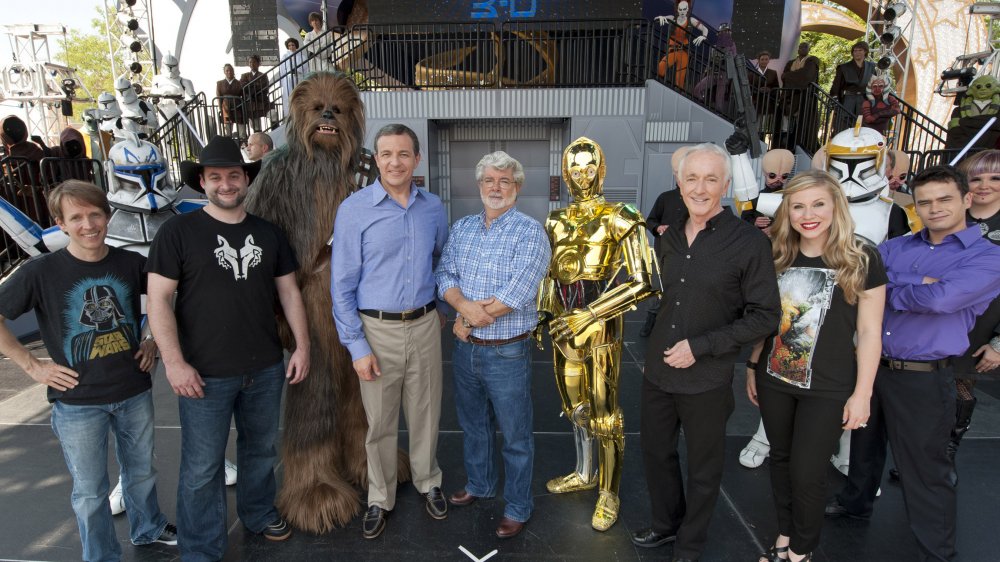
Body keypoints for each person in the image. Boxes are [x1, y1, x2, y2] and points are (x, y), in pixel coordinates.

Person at [146, 135, 310, 560]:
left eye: (233, 175)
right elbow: (159, 299)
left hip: (265, 367)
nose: (225, 184)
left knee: (260, 451)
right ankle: (201, 548)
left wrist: (302, 347)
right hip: (204, 373)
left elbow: (290, 292)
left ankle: (257, 513)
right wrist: (174, 363)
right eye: (215, 176)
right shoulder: (177, 233)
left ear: (245, 179)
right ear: (202, 182)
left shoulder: (268, 233)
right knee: (202, 468)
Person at [827, 166, 1000, 562]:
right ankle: (856, 503)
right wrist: (918, 285)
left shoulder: (989, 256)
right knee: (863, 446)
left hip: (924, 377)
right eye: (925, 201)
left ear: (966, 200)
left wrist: (889, 287)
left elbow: (942, 301)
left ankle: (936, 550)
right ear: (915, 205)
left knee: (926, 468)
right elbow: (856, 280)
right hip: (873, 366)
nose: (934, 208)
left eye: (944, 199)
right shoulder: (896, 246)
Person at [0, 180, 177, 561]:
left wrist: (151, 341)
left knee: (142, 470)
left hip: (132, 389)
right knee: (90, 490)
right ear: (60, 224)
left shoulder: (132, 264)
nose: (88, 224)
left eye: (95, 214)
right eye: (76, 217)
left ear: (108, 216)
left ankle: (148, 528)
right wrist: (32, 366)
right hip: (77, 401)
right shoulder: (40, 272)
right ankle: (100, 555)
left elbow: (161, 304)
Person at [632, 143, 780, 561]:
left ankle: (690, 543)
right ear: (679, 184)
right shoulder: (670, 237)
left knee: (703, 468)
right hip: (658, 373)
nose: (700, 187)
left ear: (725, 185)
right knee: (657, 455)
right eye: (692, 178)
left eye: (711, 178)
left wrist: (702, 347)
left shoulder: (749, 243)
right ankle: (666, 525)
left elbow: (765, 315)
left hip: (707, 377)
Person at [747, 171, 886, 562]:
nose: (809, 214)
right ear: (787, 211)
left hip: (828, 386)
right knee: (781, 460)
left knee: (808, 472)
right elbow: (764, 318)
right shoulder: (775, 253)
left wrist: (863, 395)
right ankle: (785, 534)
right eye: (798, 206)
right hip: (774, 379)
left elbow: (870, 332)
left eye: (818, 204)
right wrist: (751, 365)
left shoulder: (861, 256)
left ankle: (801, 551)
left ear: (835, 206)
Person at [331, 124, 450, 540]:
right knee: (379, 422)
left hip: (423, 326)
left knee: (426, 412)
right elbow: (341, 285)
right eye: (386, 154)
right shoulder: (355, 210)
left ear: (417, 159)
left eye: (403, 154)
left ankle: (427, 480)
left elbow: (440, 262)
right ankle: (379, 498)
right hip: (375, 330)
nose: (395, 162)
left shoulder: (433, 208)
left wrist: (436, 307)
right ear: (375, 159)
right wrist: (356, 346)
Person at [537, 137, 659, 533]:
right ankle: (585, 471)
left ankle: (609, 491)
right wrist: (543, 315)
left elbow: (644, 279)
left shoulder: (621, 215)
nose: (582, 176)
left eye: (590, 167)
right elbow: (549, 274)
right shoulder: (555, 220)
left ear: (601, 169)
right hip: (562, 327)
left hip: (601, 327)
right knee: (575, 408)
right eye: (575, 169)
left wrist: (589, 314)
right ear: (565, 174)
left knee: (606, 416)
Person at [435, 151, 550, 539]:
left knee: (515, 436)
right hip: (466, 351)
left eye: (504, 181)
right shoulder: (463, 228)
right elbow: (444, 274)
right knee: (473, 426)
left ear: (517, 187)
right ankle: (480, 485)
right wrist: (463, 308)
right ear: (479, 185)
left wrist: (466, 318)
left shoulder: (530, 231)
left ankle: (518, 506)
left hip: (507, 351)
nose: (496, 187)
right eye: (489, 180)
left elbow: (518, 290)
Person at [640, 146, 690, 338]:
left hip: (689, 253)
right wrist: (658, 228)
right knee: (659, 289)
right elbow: (650, 220)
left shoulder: (698, 199)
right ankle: (650, 323)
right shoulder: (665, 198)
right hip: (665, 253)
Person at [655, 1, 708, 90]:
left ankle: (677, 94)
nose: (682, 11)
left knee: (680, 80)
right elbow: (659, 18)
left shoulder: (691, 20)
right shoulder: (673, 18)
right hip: (672, 50)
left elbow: (704, 28)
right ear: (677, 10)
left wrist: (703, 36)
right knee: (660, 68)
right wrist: (660, 17)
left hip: (683, 52)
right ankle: (659, 88)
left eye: (684, 9)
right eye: (680, 9)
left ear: (687, 9)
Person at [781, 43, 821, 152]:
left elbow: (807, 77)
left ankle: (801, 146)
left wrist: (791, 76)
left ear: (809, 49)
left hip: (805, 97)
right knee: (787, 122)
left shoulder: (812, 61)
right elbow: (784, 76)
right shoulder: (791, 63)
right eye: (800, 47)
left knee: (804, 122)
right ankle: (786, 146)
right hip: (791, 96)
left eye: (805, 47)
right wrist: (795, 76)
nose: (802, 49)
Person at [830, 42, 875, 122]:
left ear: (865, 51)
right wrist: (834, 99)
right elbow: (836, 85)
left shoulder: (871, 66)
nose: (857, 53)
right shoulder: (843, 67)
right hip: (848, 101)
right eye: (855, 51)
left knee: (862, 126)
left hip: (864, 100)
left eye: (860, 50)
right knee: (845, 125)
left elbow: (874, 84)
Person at [240, 54, 271, 134]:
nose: (252, 64)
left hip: (261, 101)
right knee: (256, 126)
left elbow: (264, 88)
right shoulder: (244, 75)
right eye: (250, 62)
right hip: (251, 103)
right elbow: (243, 87)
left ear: (258, 64)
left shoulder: (263, 75)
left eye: (254, 62)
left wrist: (250, 88)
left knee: (272, 115)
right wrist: (255, 87)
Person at [216, 63, 244, 140]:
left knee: (241, 126)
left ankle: (242, 142)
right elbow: (219, 97)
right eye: (227, 70)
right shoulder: (220, 83)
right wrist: (220, 109)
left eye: (230, 70)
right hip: (226, 107)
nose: (229, 72)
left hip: (238, 106)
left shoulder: (239, 83)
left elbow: (243, 94)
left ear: (233, 71)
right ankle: (228, 142)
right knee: (227, 129)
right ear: (224, 72)